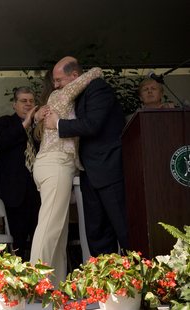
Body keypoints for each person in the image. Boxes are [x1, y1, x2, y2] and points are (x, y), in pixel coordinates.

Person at [44, 56, 129, 258]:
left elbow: (93, 125)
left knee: (123, 229)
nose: (56, 86)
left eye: (59, 80)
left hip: (108, 170)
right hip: (89, 172)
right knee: (97, 233)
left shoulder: (97, 88)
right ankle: (104, 284)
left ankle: (138, 283)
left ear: (75, 75)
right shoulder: (75, 95)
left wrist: (58, 124)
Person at [29, 66, 103, 287]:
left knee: (59, 230)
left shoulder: (55, 99)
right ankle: (32, 283)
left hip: (51, 165)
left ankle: (55, 285)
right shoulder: (61, 94)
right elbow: (94, 73)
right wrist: (93, 71)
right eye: (55, 80)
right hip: (56, 164)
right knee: (50, 225)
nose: (57, 84)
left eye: (60, 79)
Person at [0, 87, 41, 261]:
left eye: (31, 101)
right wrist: (25, 124)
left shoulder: (42, 125)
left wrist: (34, 123)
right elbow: (2, 142)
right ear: (14, 105)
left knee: (39, 241)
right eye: (23, 101)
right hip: (14, 194)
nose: (28, 104)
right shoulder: (3, 122)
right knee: (15, 243)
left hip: (38, 192)